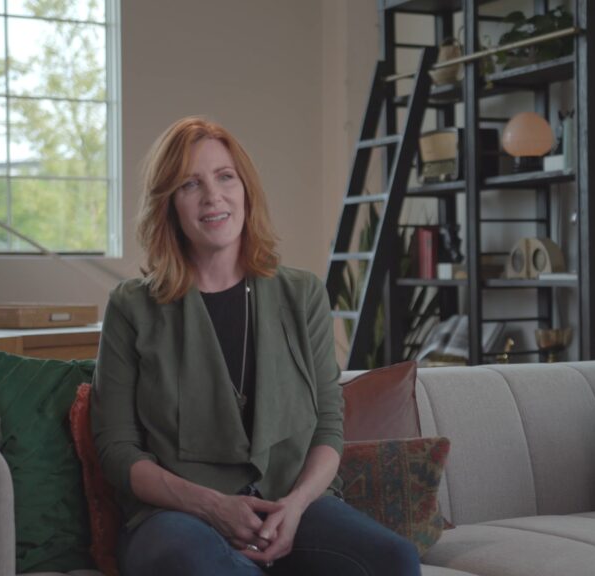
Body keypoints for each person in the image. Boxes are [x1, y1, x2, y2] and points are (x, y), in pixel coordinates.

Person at [91, 116, 422, 576]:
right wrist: (212, 506)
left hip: (290, 505)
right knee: (192, 560)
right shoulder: (132, 307)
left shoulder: (302, 294)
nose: (213, 197)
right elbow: (117, 450)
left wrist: (297, 505)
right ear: (169, 204)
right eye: (191, 184)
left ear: (245, 188)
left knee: (396, 561)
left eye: (225, 177)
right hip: (179, 519)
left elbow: (328, 426)